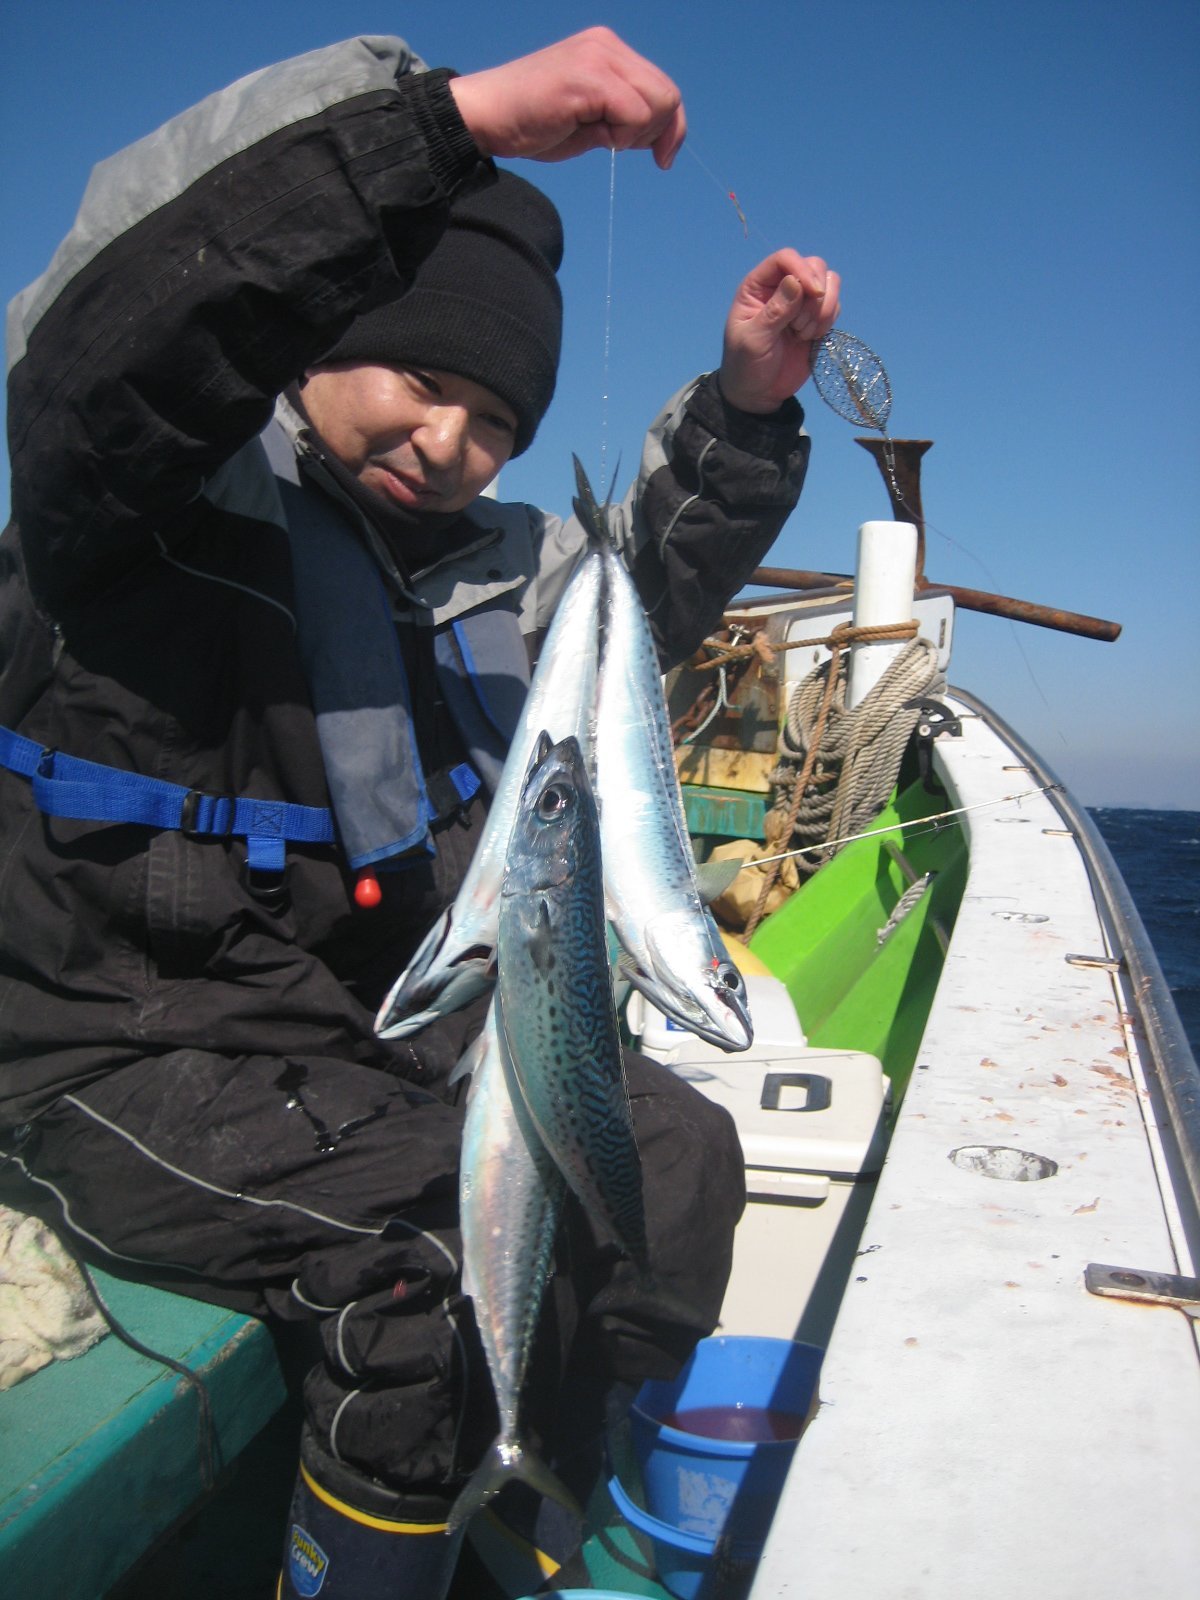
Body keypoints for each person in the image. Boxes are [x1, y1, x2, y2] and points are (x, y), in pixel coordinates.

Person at [0, 27, 839, 1599]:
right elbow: (134, 328)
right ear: (312, 341)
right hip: (118, 1048)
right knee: (407, 1278)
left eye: (496, 426)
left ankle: (537, 1517)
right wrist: (444, 129)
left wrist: (742, 411)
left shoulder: (485, 573)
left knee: (673, 1152)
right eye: (423, 379)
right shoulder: (137, 509)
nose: (449, 444)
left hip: (359, 1031)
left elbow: (626, 606)